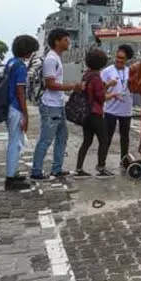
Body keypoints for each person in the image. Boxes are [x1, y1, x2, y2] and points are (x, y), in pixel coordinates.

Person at [31, 29, 83, 181]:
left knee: (62, 136)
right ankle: (36, 171)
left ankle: (57, 168)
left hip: (58, 104)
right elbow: (50, 84)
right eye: (66, 40)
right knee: (46, 139)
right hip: (50, 105)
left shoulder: (56, 58)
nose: (69, 42)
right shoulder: (51, 59)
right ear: (57, 41)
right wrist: (73, 86)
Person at [74, 48, 117, 178]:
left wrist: (107, 85)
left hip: (86, 114)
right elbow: (101, 97)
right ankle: (101, 167)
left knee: (87, 141)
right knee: (104, 140)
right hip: (95, 113)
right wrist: (113, 94)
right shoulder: (97, 78)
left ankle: (79, 168)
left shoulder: (86, 75)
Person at [4, 35, 40, 191]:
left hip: (8, 105)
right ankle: (10, 178)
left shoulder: (11, 63)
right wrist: (25, 114)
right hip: (15, 107)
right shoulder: (20, 66)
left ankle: (12, 172)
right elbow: (21, 91)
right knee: (15, 143)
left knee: (14, 141)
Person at [101, 44, 135, 168]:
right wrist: (109, 85)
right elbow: (100, 90)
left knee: (125, 137)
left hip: (126, 109)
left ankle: (124, 161)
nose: (119, 60)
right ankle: (102, 163)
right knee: (107, 137)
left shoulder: (130, 71)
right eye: (118, 57)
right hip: (110, 109)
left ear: (127, 59)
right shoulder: (107, 71)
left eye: (122, 58)